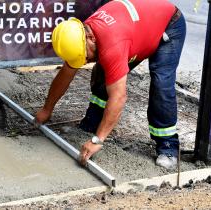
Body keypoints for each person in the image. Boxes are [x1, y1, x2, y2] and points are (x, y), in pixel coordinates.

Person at [35, 0, 186, 170]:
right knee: (102, 71)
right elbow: (65, 74)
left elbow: (119, 97)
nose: (85, 61)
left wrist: (97, 140)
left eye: (85, 57)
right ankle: (93, 120)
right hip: (137, 30)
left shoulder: (112, 44)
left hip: (168, 25)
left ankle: (168, 146)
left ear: (90, 37)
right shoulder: (80, 36)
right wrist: (47, 109)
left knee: (161, 82)